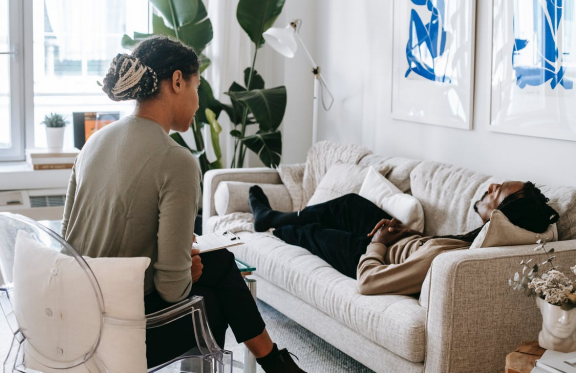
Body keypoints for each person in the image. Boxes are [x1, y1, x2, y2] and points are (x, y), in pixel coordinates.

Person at [62, 35, 305, 373]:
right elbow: (173, 291)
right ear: (177, 81)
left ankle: (276, 364)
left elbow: (68, 241)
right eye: (197, 86)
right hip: (121, 330)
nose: (197, 99)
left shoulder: (94, 141)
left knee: (217, 262)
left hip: (75, 316)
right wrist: (183, 271)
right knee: (214, 297)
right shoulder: (176, 159)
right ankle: (276, 364)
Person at [248, 181, 560, 295]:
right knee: (351, 204)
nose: (490, 187)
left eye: (497, 192)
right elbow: (433, 245)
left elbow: (368, 283)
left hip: (371, 253)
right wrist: (409, 234)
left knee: (310, 233)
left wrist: (380, 242)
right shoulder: (471, 240)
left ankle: (275, 224)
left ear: (501, 215)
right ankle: (270, 216)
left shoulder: (447, 262)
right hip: (397, 242)